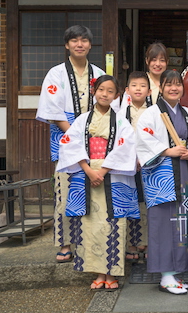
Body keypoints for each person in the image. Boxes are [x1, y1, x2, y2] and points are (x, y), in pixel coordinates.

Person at [56, 75, 139, 290]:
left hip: (112, 176)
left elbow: (126, 147)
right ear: (94, 91)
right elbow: (69, 144)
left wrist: (101, 170)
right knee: (90, 224)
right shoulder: (82, 120)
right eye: (101, 89)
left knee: (114, 224)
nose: (105, 94)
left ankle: (111, 274)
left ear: (117, 96)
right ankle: (98, 273)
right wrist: (88, 170)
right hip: (87, 176)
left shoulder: (121, 120)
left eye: (110, 91)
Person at [35, 25, 105, 263]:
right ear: (67, 45)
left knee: (94, 193)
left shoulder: (98, 72)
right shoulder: (56, 74)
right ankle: (64, 243)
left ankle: (88, 240)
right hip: (66, 139)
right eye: (74, 40)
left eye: (84, 40)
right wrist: (76, 135)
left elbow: (107, 105)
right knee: (65, 191)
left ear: (90, 45)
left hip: (95, 139)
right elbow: (53, 111)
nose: (79, 44)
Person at [136, 69, 188, 295]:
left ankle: (177, 271)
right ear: (162, 88)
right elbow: (144, 141)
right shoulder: (150, 114)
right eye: (169, 84)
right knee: (163, 223)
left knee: (184, 222)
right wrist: (167, 150)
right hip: (162, 175)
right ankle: (166, 274)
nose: (174, 88)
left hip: (185, 172)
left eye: (178, 84)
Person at [122, 71, 152, 263]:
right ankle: (131, 244)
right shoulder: (121, 113)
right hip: (127, 164)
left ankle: (148, 243)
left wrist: (144, 157)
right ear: (127, 91)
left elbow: (156, 138)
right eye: (134, 85)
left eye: (142, 86)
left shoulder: (155, 112)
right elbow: (120, 140)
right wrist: (130, 158)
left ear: (149, 91)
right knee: (130, 202)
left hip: (149, 164)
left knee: (148, 204)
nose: (138, 89)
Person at [120, 42, 168, 111]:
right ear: (147, 61)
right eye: (154, 60)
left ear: (167, 62)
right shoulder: (139, 81)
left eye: (162, 60)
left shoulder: (170, 83)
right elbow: (125, 109)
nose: (158, 64)